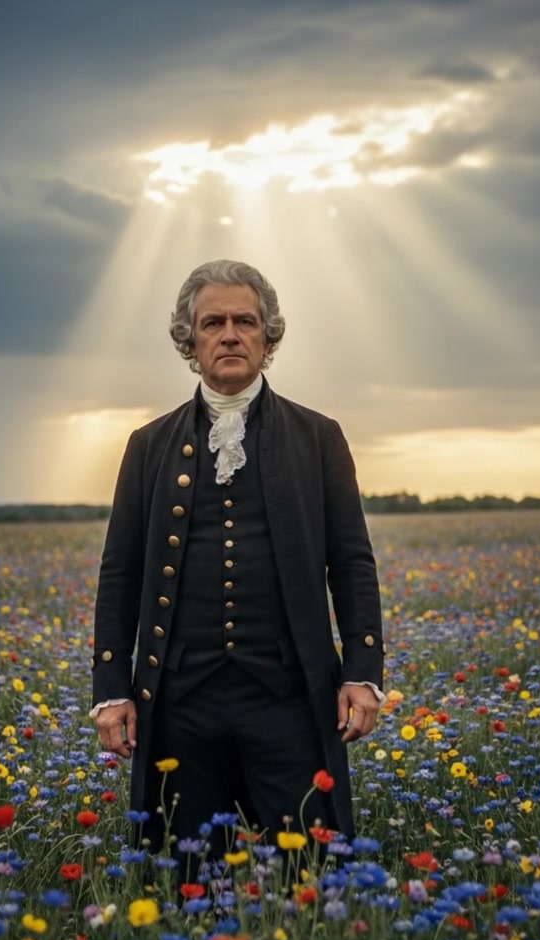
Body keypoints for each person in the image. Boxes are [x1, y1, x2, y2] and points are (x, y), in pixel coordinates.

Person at [90, 259, 384, 862]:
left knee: (309, 873)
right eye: (213, 322)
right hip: (179, 702)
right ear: (189, 341)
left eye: (245, 321)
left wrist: (361, 671)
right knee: (185, 876)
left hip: (288, 697)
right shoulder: (147, 446)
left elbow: (351, 562)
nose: (229, 334)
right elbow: (119, 572)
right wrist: (112, 688)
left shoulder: (318, 437)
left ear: (267, 337)